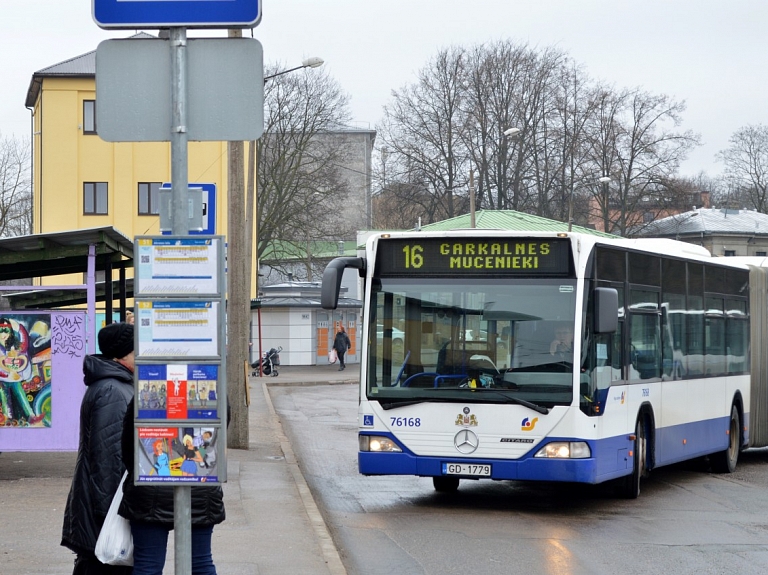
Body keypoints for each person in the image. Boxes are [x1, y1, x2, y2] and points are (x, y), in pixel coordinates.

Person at [61, 322, 135, 575]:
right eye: (137, 352)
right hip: (104, 505)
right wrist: (112, 514)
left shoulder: (115, 384)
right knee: (101, 564)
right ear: (121, 356)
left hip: (99, 501)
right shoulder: (113, 390)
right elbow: (108, 458)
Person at [119, 402, 226, 574]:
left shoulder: (147, 387)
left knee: (148, 563)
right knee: (200, 563)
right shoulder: (213, 383)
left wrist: (139, 472)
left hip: (149, 486)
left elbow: (128, 443)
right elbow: (219, 434)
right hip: (200, 487)